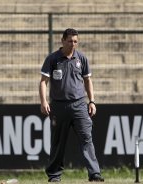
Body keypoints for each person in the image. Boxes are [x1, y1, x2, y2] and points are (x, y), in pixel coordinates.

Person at [39, 28, 104, 182]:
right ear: (62, 41)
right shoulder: (53, 59)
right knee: (57, 142)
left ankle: (94, 174)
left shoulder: (81, 58)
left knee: (86, 138)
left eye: (75, 41)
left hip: (79, 105)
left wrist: (92, 101)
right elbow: (43, 82)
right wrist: (43, 101)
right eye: (70, 41)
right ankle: (54, 176)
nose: (73, 44)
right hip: (59, 106)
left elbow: (88, 81)